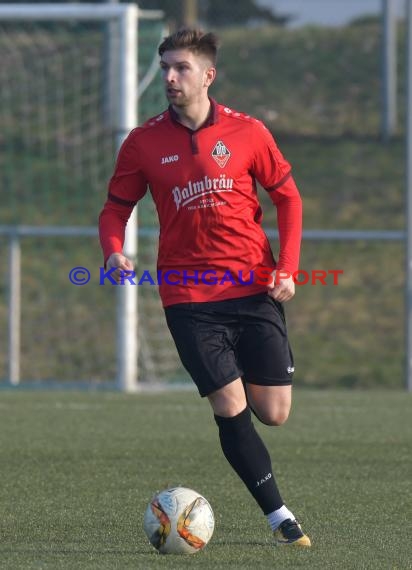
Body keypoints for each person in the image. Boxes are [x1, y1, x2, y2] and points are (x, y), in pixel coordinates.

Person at [99, 28, 310, 547]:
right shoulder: (143, 141)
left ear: (208, 75)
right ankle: (279, 517)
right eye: (165, 67)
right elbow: (116, 207)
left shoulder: (249, 133)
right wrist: (112, 251)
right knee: (229, 402)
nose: (169, 77)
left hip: (252, 286)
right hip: (188, 297)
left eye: (181, 68)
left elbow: (288, 198)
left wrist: (288, 266)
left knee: (274, 412)